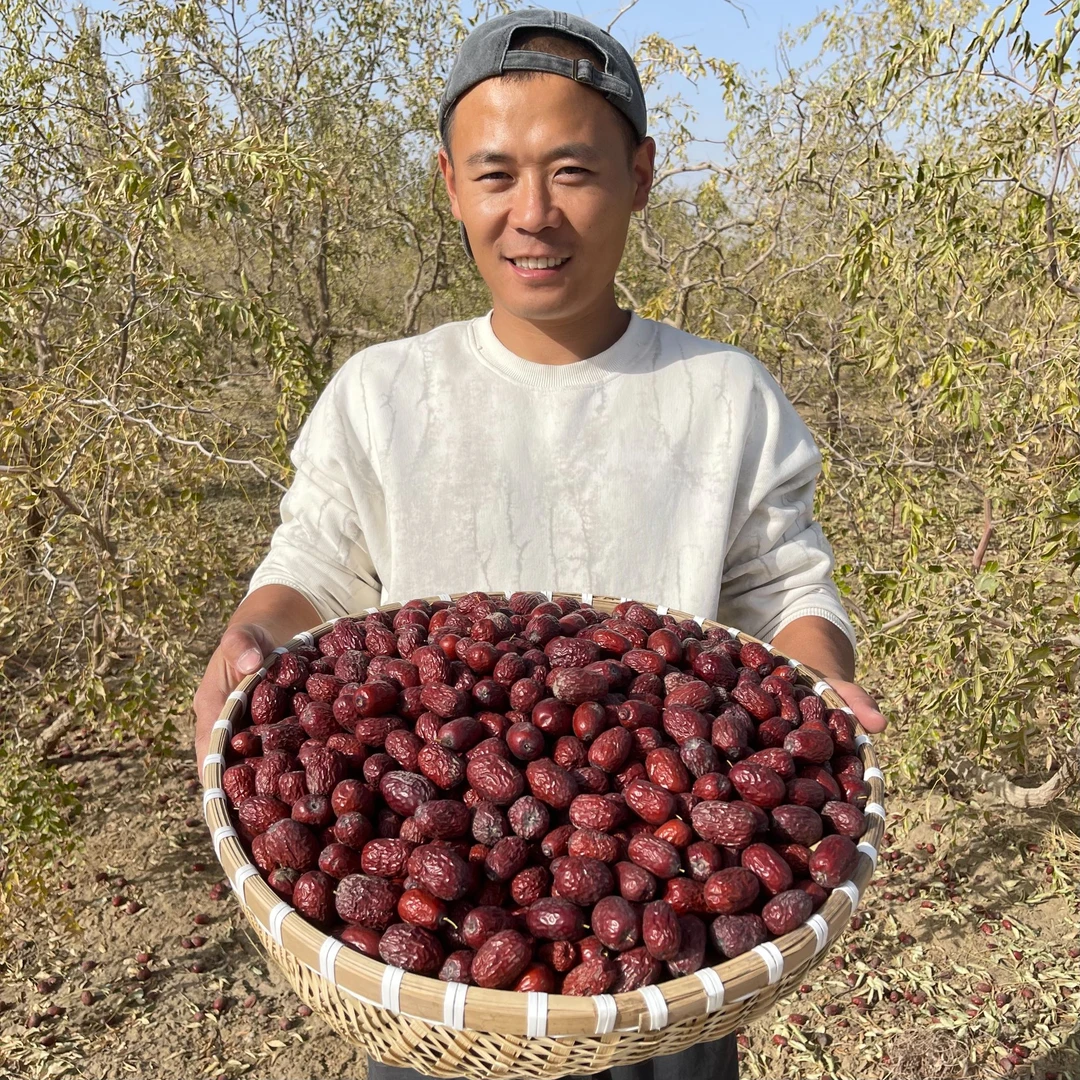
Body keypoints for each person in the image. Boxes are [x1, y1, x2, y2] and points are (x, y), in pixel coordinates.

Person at [193, 8, 888, 1080]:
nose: (533, 215)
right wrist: (252, 634)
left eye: (573, 171)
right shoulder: (384, 393)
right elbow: (315, 563)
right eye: (495, 174)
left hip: (669, 987)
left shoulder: (723, 394)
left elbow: (782, 583)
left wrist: (823, 689)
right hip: (443, 999)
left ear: (642, 174)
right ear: (447, 182)